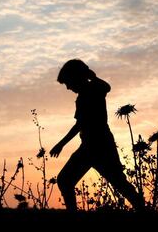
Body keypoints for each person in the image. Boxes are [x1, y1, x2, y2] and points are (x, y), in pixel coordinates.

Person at [50, 59, 144, 211]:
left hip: (94, 146)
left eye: (68, 82)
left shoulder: (88, 93)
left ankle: (143, 210)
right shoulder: (90, 91)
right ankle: (143, 209)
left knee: (65, 180)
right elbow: (106, 87)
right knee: (119, 183)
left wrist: (61, 144)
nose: (67, 87)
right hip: (98, 144)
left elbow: (80, 123)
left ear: (75, 77)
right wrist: (92, 77)